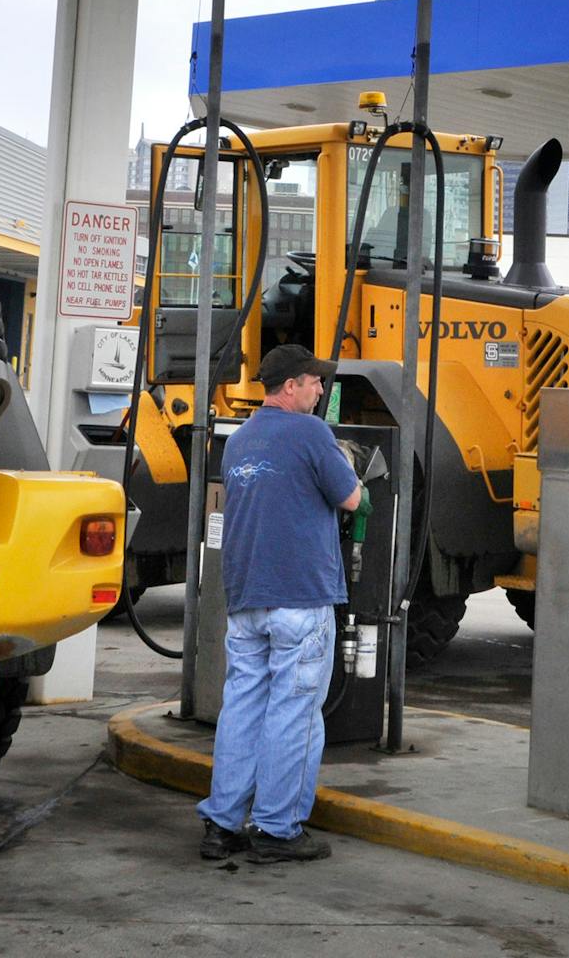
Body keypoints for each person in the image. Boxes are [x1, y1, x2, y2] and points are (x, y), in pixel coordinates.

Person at [196, 343, 362, 865]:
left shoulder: (240, 439)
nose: (319, 391)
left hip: (247, 597)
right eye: (314, 382)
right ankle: (277, 829)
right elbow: (353, 498)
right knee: (295, 711)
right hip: (301, 597)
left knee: (242, 707)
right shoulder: (311, 432)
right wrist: (350, 467)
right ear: (290, 386)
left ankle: (222, 825)